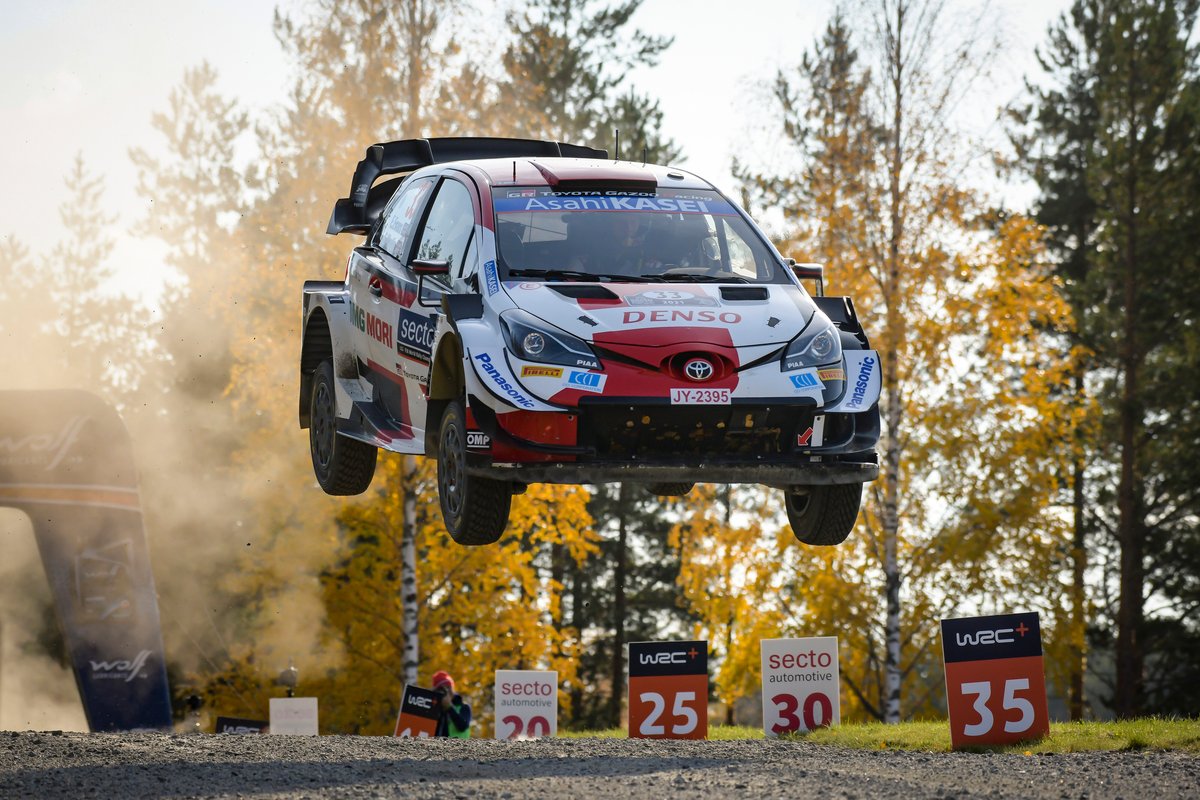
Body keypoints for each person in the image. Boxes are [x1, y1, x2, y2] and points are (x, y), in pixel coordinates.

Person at [431, 670, 471, 738]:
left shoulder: (463, 707)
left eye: (449, 687)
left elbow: (463, 726)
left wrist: (449, 708)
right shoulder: (432, 709)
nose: (447, 691)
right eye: (442, 689)